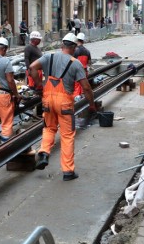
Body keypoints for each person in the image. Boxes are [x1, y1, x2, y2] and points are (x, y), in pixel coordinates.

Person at [28, 33, 97, 180]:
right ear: (73, 48)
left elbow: (32, 67)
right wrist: (91, 104)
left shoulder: (49, 57)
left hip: (47, 99)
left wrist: (39, 85)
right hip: (64, 102)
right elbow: (86, 87)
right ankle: (68, 171)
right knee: (66, 135)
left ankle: (44, 152)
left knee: (49, 128)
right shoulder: (75, 63)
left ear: (62, 46)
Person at [73, 32, 92, 97]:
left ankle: (77, 101)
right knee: (84, 88)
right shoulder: (87, 51)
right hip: (84, 72)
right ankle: (83, 100)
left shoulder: (74, 50)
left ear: (77, 40)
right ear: (83, 41)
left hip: (76, 72)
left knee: (76, 88)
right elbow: (89, 63)